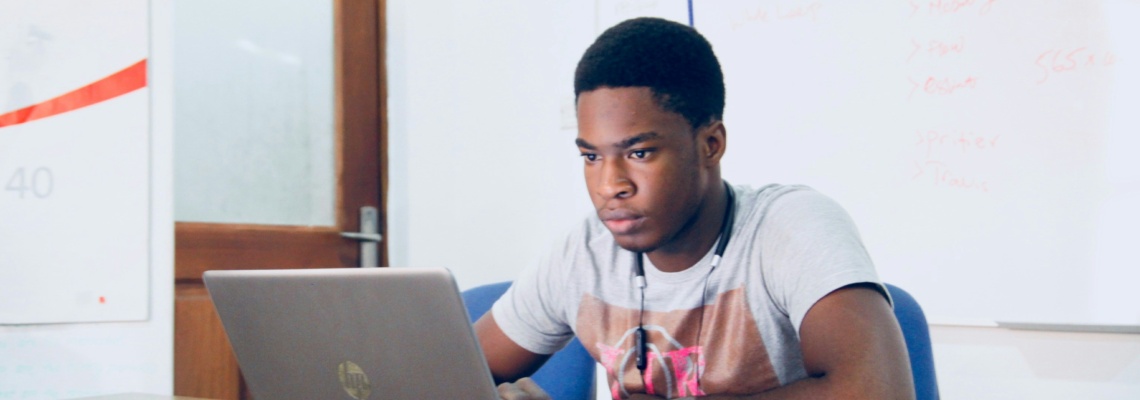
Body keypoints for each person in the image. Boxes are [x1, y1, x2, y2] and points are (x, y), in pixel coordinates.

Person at [474, 17, 914, 400]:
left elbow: (878, 392)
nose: (610, 185)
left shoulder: (791, 226)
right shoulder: (583, 253)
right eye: (591, 157)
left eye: (640, 153)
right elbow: (456, 372)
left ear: (710, 144)